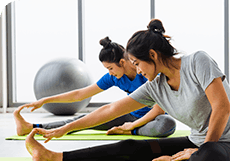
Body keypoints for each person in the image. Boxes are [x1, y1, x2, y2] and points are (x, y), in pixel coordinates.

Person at [24, 19, 230, 161]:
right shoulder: (155, 87)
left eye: (137, 63)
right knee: (129, 146)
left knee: (208, 160)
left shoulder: (197, 62)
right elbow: (111, 110)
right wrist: (67, 128)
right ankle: (51, 158)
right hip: (196, 143)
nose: (138, 70)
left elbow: (222, 107)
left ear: (152, 55)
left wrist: (202, 150)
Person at [14, 36, 176, 137]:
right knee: (84, 120)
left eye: (110, 68)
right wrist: (45, 100)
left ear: (122, 62)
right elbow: (80, 94)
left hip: (152, 120)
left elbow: (159, 108)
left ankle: (131, 131)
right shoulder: (115, 77)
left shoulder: (148, 72)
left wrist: (132, 127)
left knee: (167, 124)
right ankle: (33, 127)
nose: (110, 73)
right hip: (128, 117)